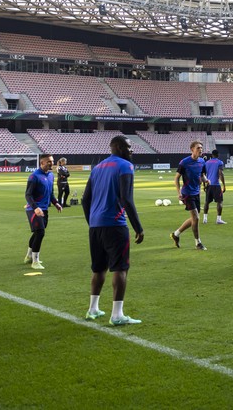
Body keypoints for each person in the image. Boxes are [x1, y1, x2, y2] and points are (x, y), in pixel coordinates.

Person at [82, 135, 144, 326]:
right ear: (117, 147)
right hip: (115, 225)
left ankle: (93, 308)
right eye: (128, 146)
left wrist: (92, 221)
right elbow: (126, 198)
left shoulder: (97, 168)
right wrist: (138, 227)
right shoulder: (126, 166)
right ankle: (117, 314)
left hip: (96, 226)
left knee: (99, 268)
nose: (131, 150)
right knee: (120, 268)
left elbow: (85, 200)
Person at [23, 154, 62, 270]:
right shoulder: (34, 176)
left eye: (52, 161)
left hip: (44, 209)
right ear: (42, 163)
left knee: (37, 233)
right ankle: (35, 261)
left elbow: (50, 193)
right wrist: (35, 207)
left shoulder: (51, 176)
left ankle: (28, 256)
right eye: (49, 161)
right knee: (40, 233)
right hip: (33, 209)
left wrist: (56, 203)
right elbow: (28, 194)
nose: (51, 163)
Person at [170, 140, 208, 251]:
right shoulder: (184, 162)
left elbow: (202, 176)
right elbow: (176, 178)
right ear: (192, 149)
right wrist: (179, 193)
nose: (200, 149)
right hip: (187, 193)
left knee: (194, 218)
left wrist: (207, 181)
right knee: (196, 218)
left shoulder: (202, 162)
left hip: (197, 193)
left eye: (201, 147)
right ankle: (198, 243)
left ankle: (176, 234)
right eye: (198, 148)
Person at [202, 149, 227, 225]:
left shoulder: (206, 163)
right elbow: (220, 174)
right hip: (216, 185)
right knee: (219, 202)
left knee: (207, 202)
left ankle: (205, 219)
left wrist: (204, 185)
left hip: (208, 185)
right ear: (218, 155)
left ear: (212, 155)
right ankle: (218, 219)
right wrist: (224, 185)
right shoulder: (219, 162)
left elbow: (203, 174)